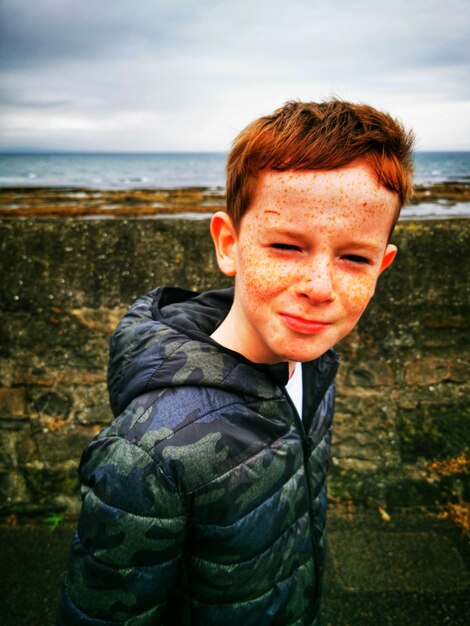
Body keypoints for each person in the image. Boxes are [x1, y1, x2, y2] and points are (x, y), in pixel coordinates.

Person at [58, 99, 414, 625]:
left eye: (354, 257)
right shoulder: (148, 452)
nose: (319, 288)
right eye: (287, 246)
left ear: (382, 265)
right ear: (229, 243)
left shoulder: (313, 364)